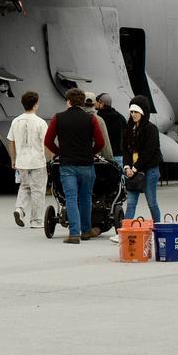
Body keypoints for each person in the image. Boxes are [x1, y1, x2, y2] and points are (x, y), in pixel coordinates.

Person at [43, 88, 106, 244]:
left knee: (71, 198)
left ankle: (73, 234)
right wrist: (91, 153)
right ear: (82, 102)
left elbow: (48, 141)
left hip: (67, 164)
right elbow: (100, 142)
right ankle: (86, 231)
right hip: (86, 164)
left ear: (68, 101)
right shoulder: (90, 119)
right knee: (86, 198)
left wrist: (59, 152)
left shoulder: (58, 118)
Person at [113, 99, 164, 242]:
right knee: (130, 202)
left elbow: (149, 151)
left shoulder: (151, 129)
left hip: (149, 169)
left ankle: (157, 229)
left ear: (142, 113)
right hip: (133, 170)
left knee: (151, 201)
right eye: (131, 112)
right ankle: (125, 231)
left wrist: (135, 168)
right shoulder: (129, 129)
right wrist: (127, 167)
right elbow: (126, 150)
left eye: (136, 112)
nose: (133, 114)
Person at [7, 91, 49, 232]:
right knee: (38, 190)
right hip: (37, 161)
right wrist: (49, 160)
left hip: (22, 161)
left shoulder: (15, 121)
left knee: (24, 186)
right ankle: (36, 220)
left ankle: (20, 209)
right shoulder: (41, 122)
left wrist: (13, 159)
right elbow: (46, 143)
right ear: (36, 104)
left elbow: (10, 142)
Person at [92, 94, 127, 166]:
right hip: (119, 155)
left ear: (102, 104)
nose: (94, 103)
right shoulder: (121, 117)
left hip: (104, 156)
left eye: (97, 101)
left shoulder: (99, 119)